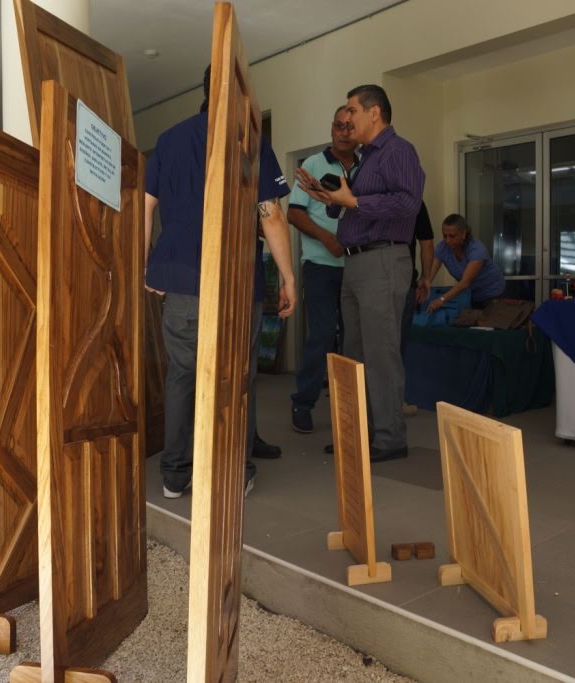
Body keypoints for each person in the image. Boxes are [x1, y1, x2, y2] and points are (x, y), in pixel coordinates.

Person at [144, 66, 296, 499]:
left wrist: (147, 263)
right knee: (236, 377)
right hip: (232, 280)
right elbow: (272, 215)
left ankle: (175, 475)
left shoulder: (169, 140)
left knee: (182, 376)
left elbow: (146, 206)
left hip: (180, 282)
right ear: (240, 92)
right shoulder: (250, 143)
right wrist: (287, 278)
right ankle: (234, 471)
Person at [296, 84, 425, 462]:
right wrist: (329, 200)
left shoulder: (398, 151)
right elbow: (357, 205)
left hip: (382, 261)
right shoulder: (367, 157)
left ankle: (389, 439)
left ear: (374, 112)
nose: (347, 117)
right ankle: (358, 436)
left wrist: (351, 200)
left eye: (352, 110)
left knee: (381, 352)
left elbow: (407, 203)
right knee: (353, 353)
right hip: (355, 262)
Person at [287, 106, 357, 434]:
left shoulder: (364, 166)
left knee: (354, 338)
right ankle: (303, 402)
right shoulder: (314, 164)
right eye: (338, 126)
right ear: (331, 129)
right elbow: (295, 213)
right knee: (323, 334)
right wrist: (326, 238)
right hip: (320, 266)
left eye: (349, 126)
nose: (344, 131)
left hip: (357, 266)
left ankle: (350, 407)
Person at [425, 213, 505, 312]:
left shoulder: (477, 249)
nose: (447, 240)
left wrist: (441, 299)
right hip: (472, 294)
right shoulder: (442, 248)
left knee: (488, 323)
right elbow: (428, 277)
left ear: (463, 234)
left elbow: (465, 283)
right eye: (444, 236)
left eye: (452, 236)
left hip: (493, 292)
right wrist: (423, 287)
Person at [401, 201, 434, 416]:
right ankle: (395, 401)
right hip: (403, 279)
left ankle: (365, 402)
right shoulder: (414, 203)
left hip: (366, 278)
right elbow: (427, 243)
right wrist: (425, 277)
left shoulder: (367, 191)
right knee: (398, 345)